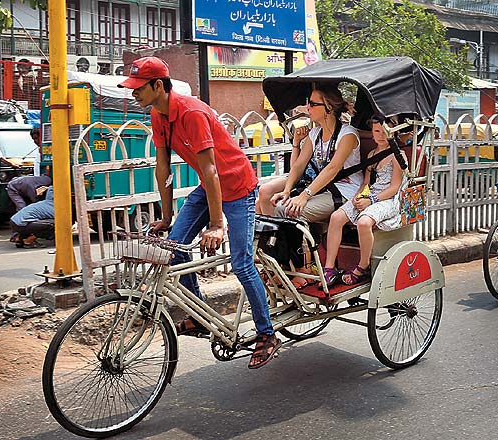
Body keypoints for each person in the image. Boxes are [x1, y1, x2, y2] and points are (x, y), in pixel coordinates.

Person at [118, 56, 280, 369]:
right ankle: (200, 317)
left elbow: (210, 168)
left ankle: (267, 333)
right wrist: (166, 217)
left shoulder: (190, 112)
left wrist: (217, 225)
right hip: (210, 188)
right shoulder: (158, 114)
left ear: (158, 86)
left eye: (138, 88)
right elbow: (162, 167)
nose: (133, 93)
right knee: (175, 250)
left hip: (237, 186)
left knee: (242, 262)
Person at [270, 85, 362, 288]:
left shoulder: (348, 134)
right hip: (323, 190)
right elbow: (299, 165)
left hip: (345, 193)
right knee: (281, 207)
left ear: (328, 107)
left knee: (293, 211)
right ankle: (287, 266)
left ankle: (305, 268)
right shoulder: (315, 134)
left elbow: (333, 168)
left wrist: (304, 195)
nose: (307, 107)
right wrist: (286, 190)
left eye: (312, 104)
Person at [322, 119, 405, 287]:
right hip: (370, 195)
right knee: (336, 217)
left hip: (388, 199)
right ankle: (329, 268)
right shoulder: (371, 155)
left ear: (393, 132)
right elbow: (366, 183)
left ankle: (363, 265)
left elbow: (395, 187)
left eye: (385, 132)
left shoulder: (398, 156)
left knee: (364, 222)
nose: (381, 136)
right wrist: (359, 196)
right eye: (377, 131)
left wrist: (371, 200)